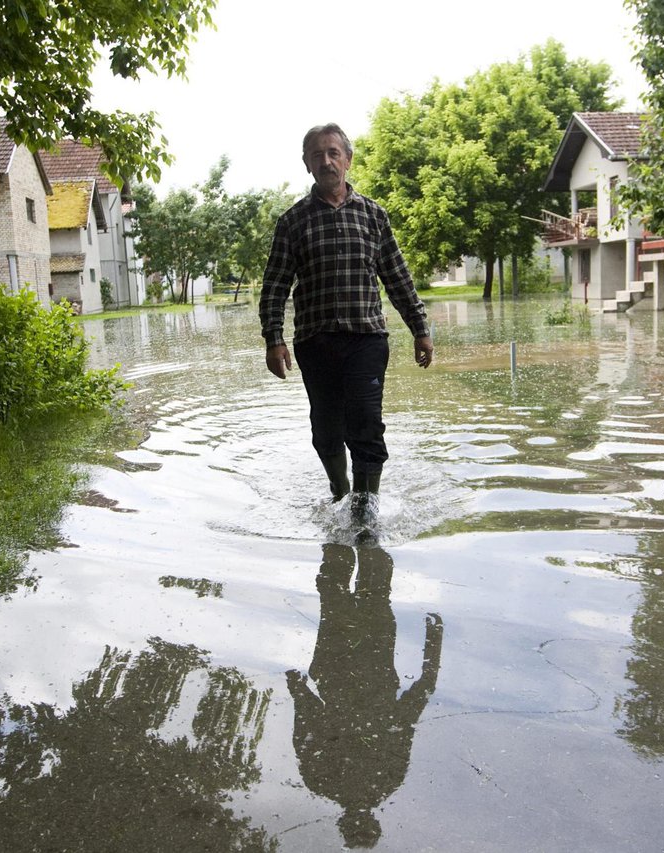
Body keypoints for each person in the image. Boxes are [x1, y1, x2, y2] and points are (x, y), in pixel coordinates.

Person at [259, 123, 434, 512]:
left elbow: (397, 277)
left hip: (366, 339)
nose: (326, 161)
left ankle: (365, 507)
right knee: (326, 429)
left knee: (367, 424)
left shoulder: (374, 216)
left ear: (348, 160)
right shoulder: (292, 222)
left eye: (333, 152)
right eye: (318, 154)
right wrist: (274, 339)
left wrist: (420, 329)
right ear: (306, 164)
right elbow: (275, 286)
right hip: (315, 342)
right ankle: (340, 494)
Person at [286, 543, 443, 848]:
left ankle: (345, 526)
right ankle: (359, 526)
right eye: (366, 830)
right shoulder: (387, 779)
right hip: (368, 660)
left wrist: (299, 691)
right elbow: (408, 715)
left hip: (338, 665)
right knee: (362, 585)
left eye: (355, 831)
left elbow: (306, 728)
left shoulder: (323, 780)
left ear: (344, 825)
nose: (361, 822)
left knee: (337, 588)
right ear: (374, 823)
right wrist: (433, 640)